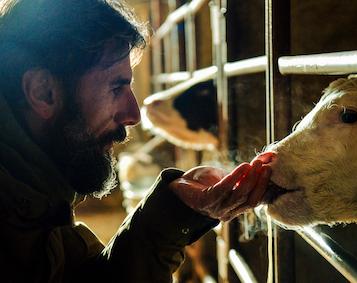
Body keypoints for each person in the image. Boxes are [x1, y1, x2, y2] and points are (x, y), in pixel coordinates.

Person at [0, 0, 272, 282]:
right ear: (43, 93)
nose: (133, 115)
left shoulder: (33, 197)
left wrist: (173, 212)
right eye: (116, 87)